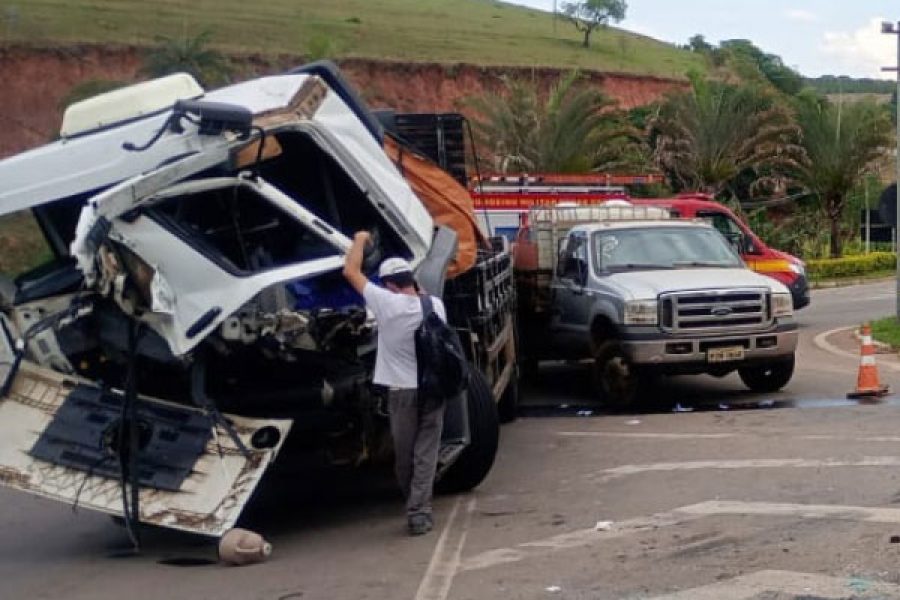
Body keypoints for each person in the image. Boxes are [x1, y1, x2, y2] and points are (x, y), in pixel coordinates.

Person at [343, 230, 448, 536]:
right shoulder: (435, 306)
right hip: (433, 388)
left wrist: (360, 239)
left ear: (389, 284)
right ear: (411, 279)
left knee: (405, 455)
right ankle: (420, 511)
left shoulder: (385, 303)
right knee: (426, 452)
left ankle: (414, 506)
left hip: (402, 393)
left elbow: (350, 271)